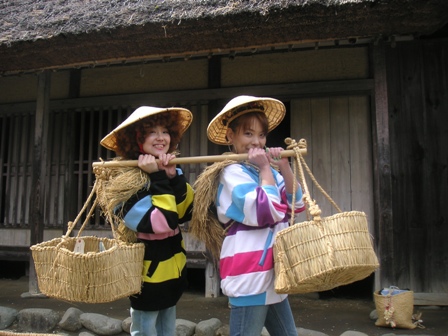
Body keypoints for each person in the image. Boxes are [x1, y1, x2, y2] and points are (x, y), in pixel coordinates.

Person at [206, 95, 305, 336]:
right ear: (231, 136)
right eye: (248, 134)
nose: (257, 142)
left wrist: (282, 166)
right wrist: (264, 169)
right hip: (249, 272)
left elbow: (296, 205)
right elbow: (266, 212)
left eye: (261, 135)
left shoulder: (269, 171)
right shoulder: (230, 172)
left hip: (275, 272)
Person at [100, 106, 194, 336]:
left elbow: (186, 212)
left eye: (165, 130)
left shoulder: (167, 170)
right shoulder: (124, 181)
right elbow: (161, 223)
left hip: (173, 268)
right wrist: (159, 177)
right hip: (146, 273)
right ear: (136, 139)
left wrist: (173, 178)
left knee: (167, 328)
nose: (161, 137)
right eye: (152, 132)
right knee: (145, 330)